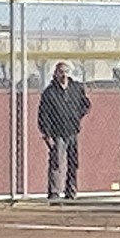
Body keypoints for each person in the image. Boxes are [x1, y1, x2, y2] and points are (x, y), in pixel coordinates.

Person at [37, 61, 91, 202]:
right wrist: (46, 134)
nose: (63, 74)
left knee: (73, 163)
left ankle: (71, 191)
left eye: (66, 71)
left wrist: (76, 116)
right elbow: (43, 114)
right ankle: (54, 193)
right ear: (55, 73)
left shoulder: (76, 88)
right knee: (57, 163)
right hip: (57, 133)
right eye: (61, 71)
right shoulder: (49, 92)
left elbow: (86, 105)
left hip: (72, 131)